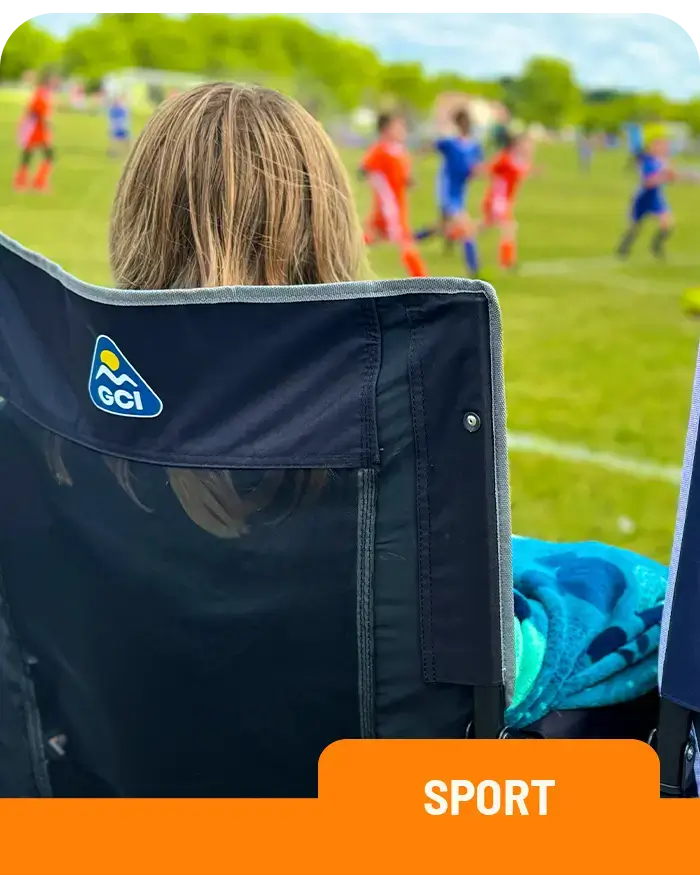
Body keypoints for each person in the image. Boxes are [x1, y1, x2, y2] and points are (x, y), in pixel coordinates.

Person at [359, 112, 428, 278]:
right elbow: (363, 169)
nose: (402, 130)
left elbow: (402, 175)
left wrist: (409, 180)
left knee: (370, 237)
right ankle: (424, 281)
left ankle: (339, 250)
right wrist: (377, 181)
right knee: (406, 241)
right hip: (389, 207)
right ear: (386, 129)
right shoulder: (380, 149)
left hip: (399, 204)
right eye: (398, 126)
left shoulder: (400, 151)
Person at [422, 109, 483, 274]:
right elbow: (432, 146)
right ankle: (475, 269)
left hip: (460, 191)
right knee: (466, 228)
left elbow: (476, 168)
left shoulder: (474, 146)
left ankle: (410, 239)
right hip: (447, 191)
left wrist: (475, 172)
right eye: (463, 122)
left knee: (441, 227)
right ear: (458, 124)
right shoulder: (451, 143)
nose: (466, 126)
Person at [616, 131, 693, 261]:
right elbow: (648, 182)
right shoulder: (648, 161)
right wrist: (664, 176)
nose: (664, 148)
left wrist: (679, 176)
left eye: (665, 145)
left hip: (656, 197)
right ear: (653, 146)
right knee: (635, 226)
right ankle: (623, 248)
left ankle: (656, 247)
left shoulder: (665, 161)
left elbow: (672, 178)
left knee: (668, 223)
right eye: (661, 145)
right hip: (643, 197)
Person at [480, 131, 532, 271]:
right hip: (498, 200)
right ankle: (506, 263)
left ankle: (457, 233)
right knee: (509, 227)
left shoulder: (512, 158)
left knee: (484, 227)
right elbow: (491, 169)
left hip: (501, 200)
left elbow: (522, 170)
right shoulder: (506, 158)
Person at [13, 72, 55, 192]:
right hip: (36, 129)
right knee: (46, 155)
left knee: (29, 154)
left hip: (35, 128)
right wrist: (48, 124)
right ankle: (37, 181)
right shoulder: (41, 94)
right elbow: (39, 112)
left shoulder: (41, 93)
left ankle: (24, 180)